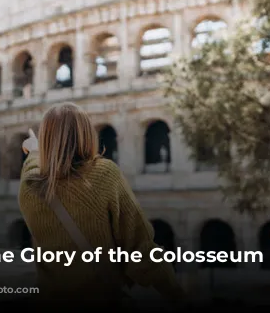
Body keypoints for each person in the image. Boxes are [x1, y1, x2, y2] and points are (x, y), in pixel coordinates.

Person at [19, 102, 184, 309]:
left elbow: (32, 166)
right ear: (87, 134)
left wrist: (34, 149)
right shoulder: (103, 174)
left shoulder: (30, 186)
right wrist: (176, 294)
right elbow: (140, 248)